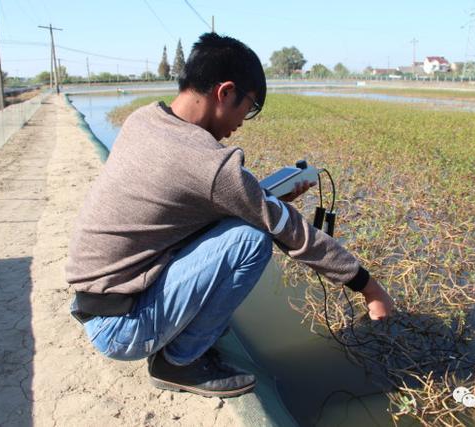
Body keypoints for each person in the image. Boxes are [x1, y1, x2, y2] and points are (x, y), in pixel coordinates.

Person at [66, 33, 394, 399]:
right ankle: (178, 362)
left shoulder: (145, 120)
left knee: (245, 223)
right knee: (252, 239)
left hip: (97, 306)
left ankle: (179, 342)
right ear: (225, 92)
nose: (242, 121)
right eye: (248, 106)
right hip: (123, 328)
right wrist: (371, 288)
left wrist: (265, 199)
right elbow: (293, 232)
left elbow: (194, 203)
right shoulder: (208, 163)